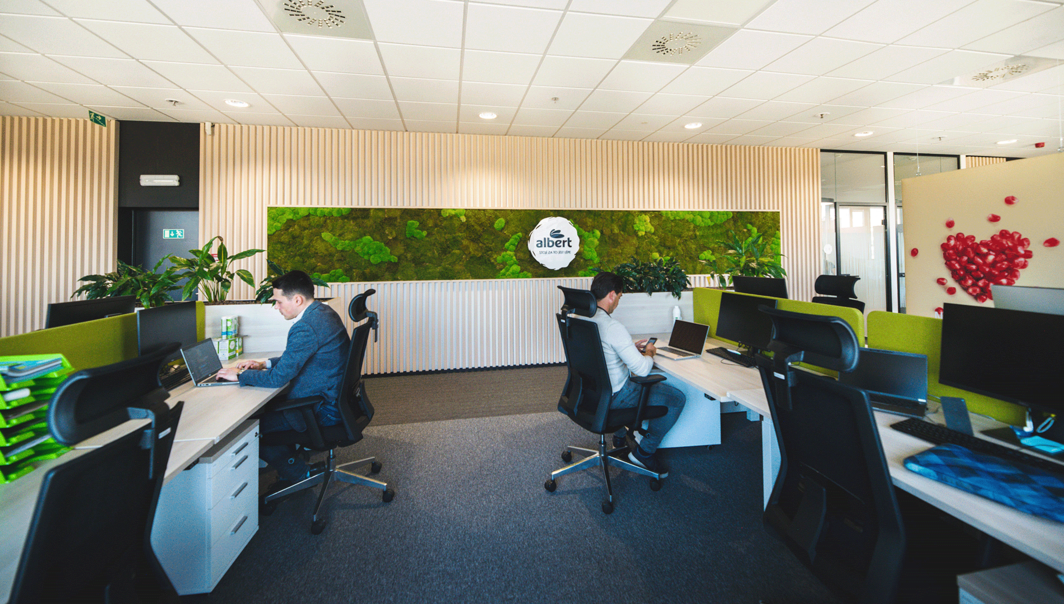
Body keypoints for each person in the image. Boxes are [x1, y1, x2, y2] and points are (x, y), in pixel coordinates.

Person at [217, 270, 349, 484]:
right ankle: (294, 464)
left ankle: (299, 472)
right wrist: (264, 364)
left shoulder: (306, 327)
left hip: (321, 409)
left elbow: (276, 379)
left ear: (297, 299)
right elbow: (299, 356)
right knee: (266, 410)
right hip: (334, 401)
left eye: (278, 301)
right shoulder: (324, 312)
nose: (276, 307)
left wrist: (240, 375)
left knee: (249, 429)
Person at [586, 271, 686, 476]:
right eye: (620, 297)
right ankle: (644, 452)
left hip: (590, 393)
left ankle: (620, 437)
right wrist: (649, 352)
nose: (618, 302)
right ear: (612, 295)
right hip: (617, 396)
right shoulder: (612, 327)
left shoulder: (582, 319)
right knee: (676, 399)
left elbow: (601, 352)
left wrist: (628, 348)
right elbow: (642, 370)